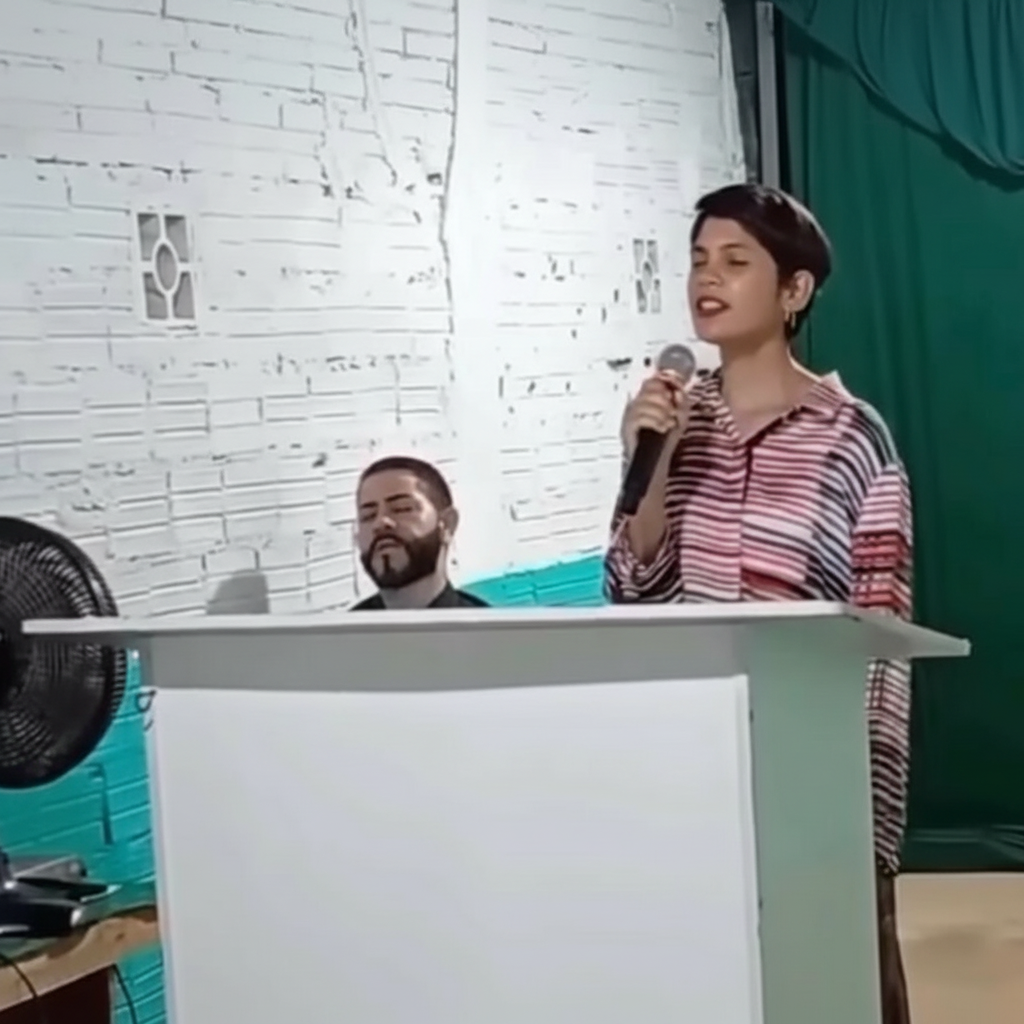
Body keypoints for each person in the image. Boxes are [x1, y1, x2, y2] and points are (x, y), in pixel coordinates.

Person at [605, 183, 912, 1023]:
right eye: (699, 259)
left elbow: (881, 640)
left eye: (736, 261)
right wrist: (649, 461)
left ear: (794, 290)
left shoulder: (853, 438)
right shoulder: (672, 423)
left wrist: (871, 822)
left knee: (830, 989)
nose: (708, 278)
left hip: (815, 775)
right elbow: (632, 589)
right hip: (690, 764)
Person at [351, 455, 488, 610]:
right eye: (368, 516)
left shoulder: (486, 624)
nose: (380, 523)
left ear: (447, 524)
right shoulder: (347, 624)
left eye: (402, 508)